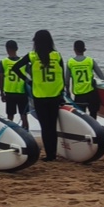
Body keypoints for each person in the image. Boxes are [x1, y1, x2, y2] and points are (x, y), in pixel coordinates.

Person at [27, 30, 67, 162]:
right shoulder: (57, 55)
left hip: (39, 95)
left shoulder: (32, 56)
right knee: (52, 126)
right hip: (54, 95)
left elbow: (16, 68)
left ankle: (49, 155)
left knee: (45, 127)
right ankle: (52, 154)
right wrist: (62, 92)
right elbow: (61, 75)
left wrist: (29, 80)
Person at [0, 40, 29, 131]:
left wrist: (1, 93)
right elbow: (28, 77)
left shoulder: (4, 62)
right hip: (22, 92)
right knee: (23, 115)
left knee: (10, 115)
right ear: (17, 49)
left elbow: (1, 78)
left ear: (7, 49)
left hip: (10, 92)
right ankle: (26, 132)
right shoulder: (23, 62)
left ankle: (10, 132)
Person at [66, 42, 101, 122]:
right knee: (93, 113)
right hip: (91, 92)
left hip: (79, 94)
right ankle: (94, 130)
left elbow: (67, 80)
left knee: (81, 116)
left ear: (74, 50)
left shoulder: (70, 62)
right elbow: (102, 77)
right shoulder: (90, 60)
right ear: (84, 50)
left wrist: (67, 92)